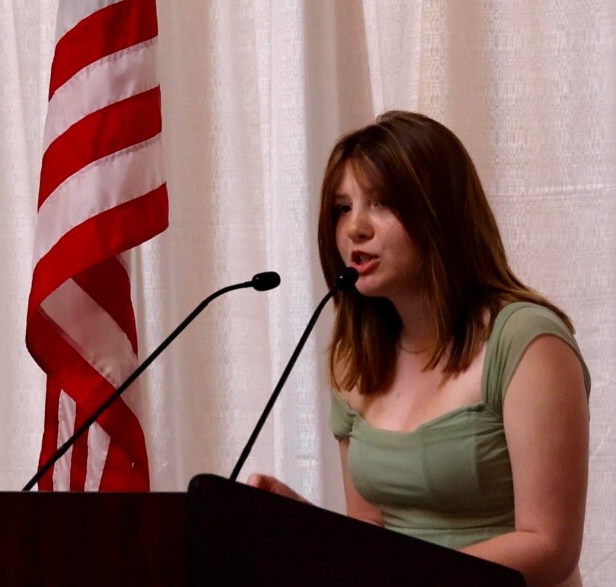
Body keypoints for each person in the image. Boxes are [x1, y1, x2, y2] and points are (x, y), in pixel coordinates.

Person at [247, 111, 590, 587]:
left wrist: (408, 575)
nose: (355, 230)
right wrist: (304, 524)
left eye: (382, 203)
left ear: (441, 212)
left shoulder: (527, 342)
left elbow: (549, 545)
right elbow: (371, 534)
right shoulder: (354, 357)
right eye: (342, 208)